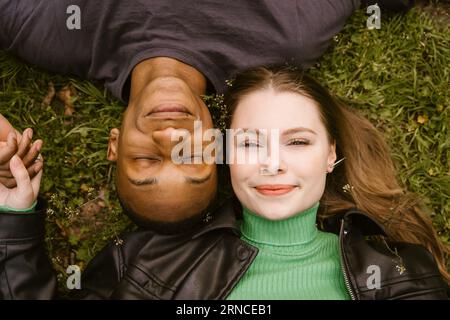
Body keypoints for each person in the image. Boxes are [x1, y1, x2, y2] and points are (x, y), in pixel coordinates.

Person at [1, 65, 448, 299]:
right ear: (222, 154)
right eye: (251, 144)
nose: (273, 164)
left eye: (297, 142)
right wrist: (15, 216)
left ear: (330, 154)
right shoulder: (146, 260)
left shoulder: (401, 272)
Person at [3, 0, 417, 225]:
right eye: (190, 156)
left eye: (146, 158)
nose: (168, 135)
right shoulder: (289, 32)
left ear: (114, 143)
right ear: (221, 144)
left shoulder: (54, 32)